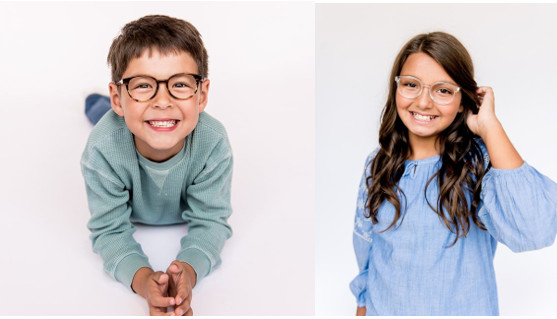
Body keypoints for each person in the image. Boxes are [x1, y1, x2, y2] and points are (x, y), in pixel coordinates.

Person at [350, 31, 557, 315]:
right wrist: (362, 306)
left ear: (463, 101)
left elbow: (536, 230)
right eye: (411, 84)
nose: (423, 102)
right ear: (396, 88)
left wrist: (490, 126)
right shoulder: (378, 163)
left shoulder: (479, 163)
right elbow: (367, 249)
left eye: (443, 90)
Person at [80, 15, 233, 316]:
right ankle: (98, 103)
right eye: (142, 85)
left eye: (179, 84)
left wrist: (187, 272)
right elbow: (109, 231)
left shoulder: (213, 143)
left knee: (142, 118)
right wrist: (142, 278)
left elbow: (212, 221)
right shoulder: (101, 150)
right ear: (118, 97)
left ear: (201, 95)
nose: (162, 100)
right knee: (104, 118)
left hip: (136, 120)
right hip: (117, 123)